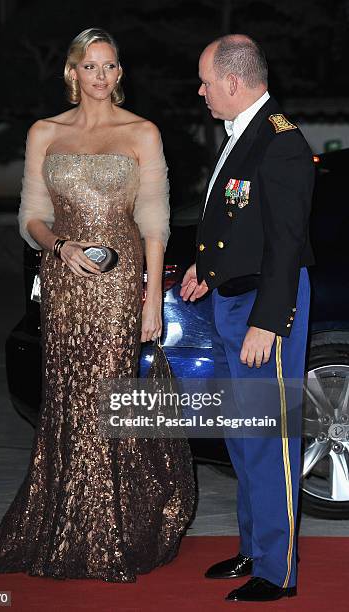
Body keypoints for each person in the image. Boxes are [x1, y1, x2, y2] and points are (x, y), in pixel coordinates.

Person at [0, 27, 195, 583]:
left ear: (119, 73)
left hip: (119, 284)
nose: (101, 76)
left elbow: (155, 222)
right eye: (90, 66)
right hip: (65, 282)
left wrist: (150, 300)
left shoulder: (142, 132)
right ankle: (64, 520)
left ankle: (110, 527)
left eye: (110, 66)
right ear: (72, 72)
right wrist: (58, 246)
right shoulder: (46, 132)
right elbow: (31, 217)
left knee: (108, 396)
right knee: (66, 395)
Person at [181, 35, 314, 602]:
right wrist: (206, 268)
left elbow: (285, 243)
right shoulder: (244, 135)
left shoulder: (279, 142)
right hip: (232, 298)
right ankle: (253, 548)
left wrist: (270, 320)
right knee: (243, 436)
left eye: (208, 81)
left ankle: (278, 571)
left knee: (272, 441)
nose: (203, 91)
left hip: (264, 305)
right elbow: (240, 224)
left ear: (234, 82)